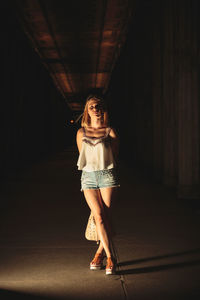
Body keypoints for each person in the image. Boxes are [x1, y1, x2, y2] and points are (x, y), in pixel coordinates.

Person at [76, 94, 120, 275]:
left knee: (104, 218)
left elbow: (115, 156)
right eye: (91, 106)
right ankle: (110, 257)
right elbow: (83, 156)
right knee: (98, 216)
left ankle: (101, 254)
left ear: (103, 109)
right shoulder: (81, 132)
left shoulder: (110, 131)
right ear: (87, 110)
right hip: (88, 177)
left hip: (107, 176)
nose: (95, 109)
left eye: (98, 106)